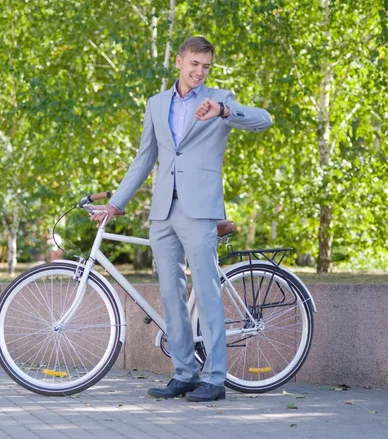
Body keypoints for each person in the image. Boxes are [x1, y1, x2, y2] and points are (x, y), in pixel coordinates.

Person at [90, 36, 272, 402]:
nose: (199, 72)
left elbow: (263, 121)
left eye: (206, 66)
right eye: (194, 64)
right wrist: (116, 203)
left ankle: (216, 379)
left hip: (200, 210)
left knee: (207, 294)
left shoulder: (221, 98)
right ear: (179, 61)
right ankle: (185, 373)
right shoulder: (157, 104)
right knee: (171, 295)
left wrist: (223, 112)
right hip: (163, 212)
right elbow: (144, 158)